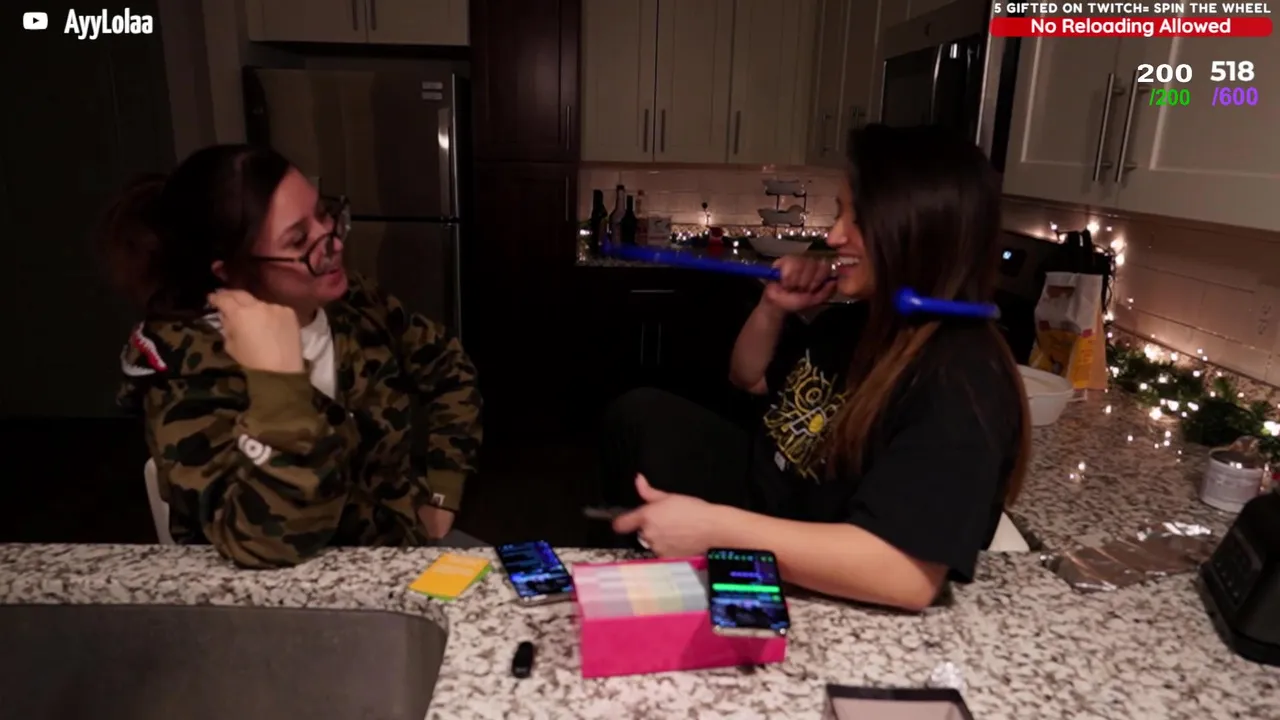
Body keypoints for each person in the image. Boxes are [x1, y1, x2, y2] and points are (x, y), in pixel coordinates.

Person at [596, 124, 1031, 612]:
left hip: (811, 543)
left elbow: (905, 575)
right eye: (839, 213)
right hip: (770, 496)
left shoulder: (961, 378)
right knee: (639, 415)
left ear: (918, 230)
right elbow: (748, 377)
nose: (832, 236)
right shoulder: (860, 320)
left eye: (855, 219)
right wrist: (773, 307)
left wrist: (716, 530)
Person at [99, 144, 483, 569]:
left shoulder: (353, 303)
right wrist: (279, 386)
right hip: (289, 589)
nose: (333, 242)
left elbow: (448, 369)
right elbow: (269, 545)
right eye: (299, 240)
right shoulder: (188, 376)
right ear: (228, 271)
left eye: (324, 214)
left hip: (398, 553)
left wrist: (443, 490)